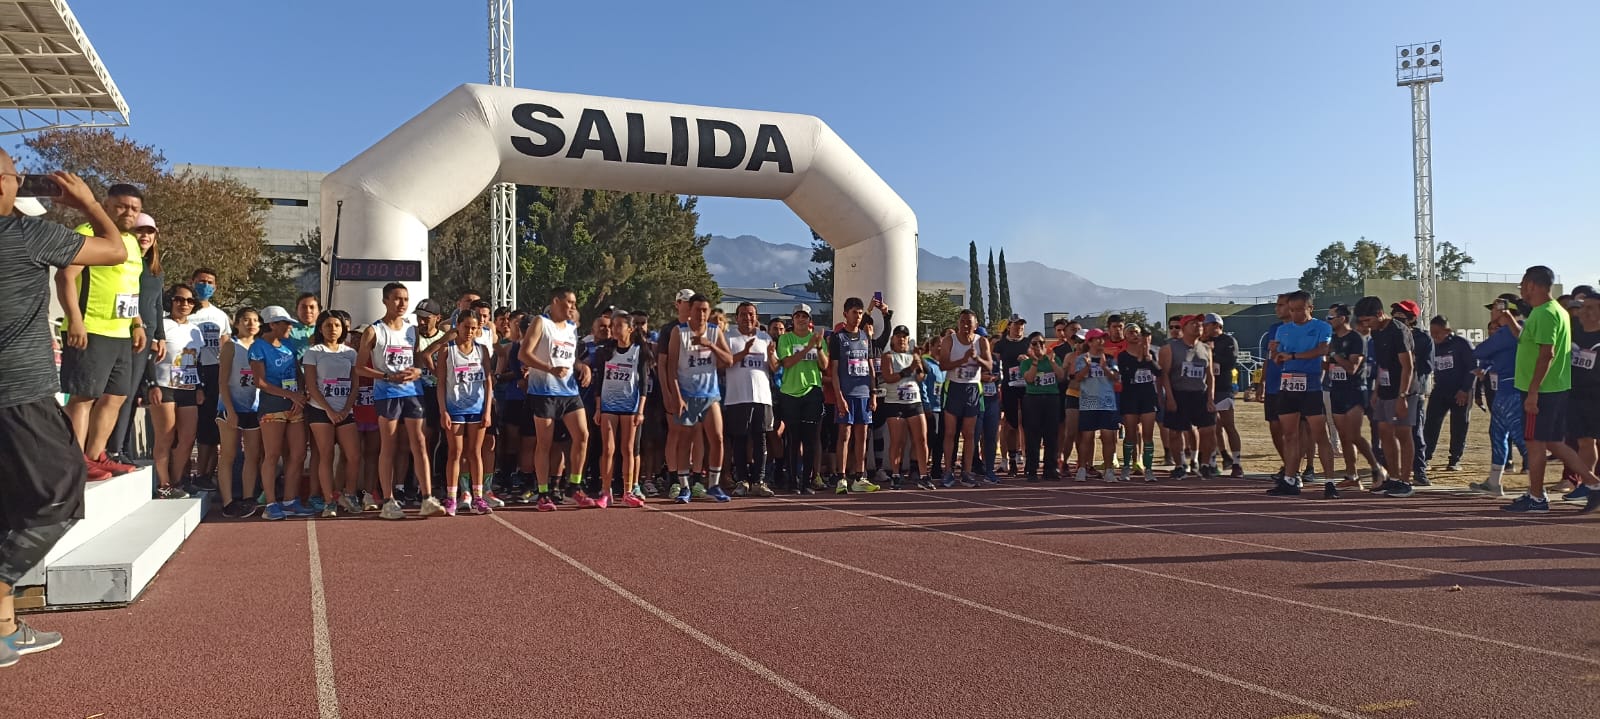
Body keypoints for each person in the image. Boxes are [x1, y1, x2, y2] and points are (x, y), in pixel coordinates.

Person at [0, 164, 130, 668]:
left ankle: (6, 629)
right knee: (62, 492)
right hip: (20, 394)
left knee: (10, 504)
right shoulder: (29, 233)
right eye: (9, 173)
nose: (12, 178)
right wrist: (89, 206)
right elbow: (115, 250)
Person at [55, 183, 148, 482]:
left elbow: (130, 288)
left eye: (134, 208)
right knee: (83, 397)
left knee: (117, 396)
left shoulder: (132, 243)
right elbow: (65, 277)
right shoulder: (87, 232)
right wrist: (75, 320)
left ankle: (96, 455)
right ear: (106, 205)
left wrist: (137, 324)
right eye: (121, 206)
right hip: (90, 330)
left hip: (121, 333)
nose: (128, 213)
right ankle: (74, 462)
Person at [1503, 266, 1600, 513]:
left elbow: (1547, 354)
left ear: (1533, 285)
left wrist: (1533, 392)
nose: (1522, 290)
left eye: (1524, 285)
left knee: (1535, 443)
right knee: (1554, 443)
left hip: (1543, 390)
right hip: (1547, 388)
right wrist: (1510, 322)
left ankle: (1537, 497)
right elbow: (1529, 342)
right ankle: (1592, 483)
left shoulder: (1547, 313)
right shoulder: (1546, 312)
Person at [357, 283, 438, 520]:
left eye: (405, 299)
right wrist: (386, 376)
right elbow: (360, 368)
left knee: (420, 443)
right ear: (385, 301)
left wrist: (418, 372)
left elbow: (417, 362)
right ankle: (389, 500)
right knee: (389, 446)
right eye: (396, 299)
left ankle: (427, 497)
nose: (402, 304)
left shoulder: (412, 331)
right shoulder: (374, 331)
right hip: (387, 394)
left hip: (412, 392)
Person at [519, 287, 593, 510]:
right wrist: (548, 368)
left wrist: (583, 367)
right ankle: (543, 493)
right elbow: (524, 354)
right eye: (569, 302)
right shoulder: (541, 322)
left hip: (569, 391)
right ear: (556, 301)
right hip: (544, 392)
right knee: (545, 443)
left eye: (574, 303)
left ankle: (574, 486)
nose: (572, 306)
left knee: (582, 435)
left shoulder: (572, 328)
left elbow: (570, 360)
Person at [107, 213, 164, 467]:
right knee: (121, 393)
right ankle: (112, 448)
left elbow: (157, 303)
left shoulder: (155, 270)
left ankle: (122, 447)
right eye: (140, 230)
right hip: (127, 333)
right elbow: (127, 297)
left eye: (150, 232)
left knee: (133, 397)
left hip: (148, 336)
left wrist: (159, 335)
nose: (145, 236)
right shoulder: (126, 263)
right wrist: (138, 325)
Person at [664, 293, 732, 503]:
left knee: (718, 438)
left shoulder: (714, 331)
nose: (702, 314)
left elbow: (728, 360)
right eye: (698, 310)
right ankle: (684, 487)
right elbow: (671, 367)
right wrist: (677, 396)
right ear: (690, 311)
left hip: (710, 394)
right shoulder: (679, 332)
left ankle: (713, 484)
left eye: (705, 310)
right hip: (687, 394)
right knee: (686, 440)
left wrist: (709, 345)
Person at [251, 306, 312, 520]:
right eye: (285, 323)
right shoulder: (258, 347)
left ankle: (289, 500)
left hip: (294, 406)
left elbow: (298, 371)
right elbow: (260, 382)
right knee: (272, 455)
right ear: (272, 325)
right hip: (272, 406)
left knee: (297, 453)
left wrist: (301, 393)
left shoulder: (288, 344)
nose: (290, 327)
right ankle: (270, 503)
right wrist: (290, 394)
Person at [1355, 296, 1419, 498]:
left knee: (1403, 433)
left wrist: (1403, 396)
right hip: (1384, 388)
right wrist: (1376, 391)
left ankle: (1406, 481)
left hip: (1404, 390)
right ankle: (1392, 478)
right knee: (1384, 432)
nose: (1365, 325)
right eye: (1362, 322)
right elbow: (1382, 364)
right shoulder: (1376, 332)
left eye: (1368, 321)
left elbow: (1408, 366)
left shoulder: (1398, 330)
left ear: (1379, 314)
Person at [302, 310, 362, 517]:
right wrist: (329, 410)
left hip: (345, 411)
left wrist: (345, 410)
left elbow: (355, 384)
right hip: (321, 411)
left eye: (337, 325)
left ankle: (350, 494)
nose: (333, 329)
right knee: (325, 455)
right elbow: (311, 384)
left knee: (354, 455)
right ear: (320, 328)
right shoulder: (313, 352)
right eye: (328, 325)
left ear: (343, 328)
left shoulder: (350, 353)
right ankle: (329, 501)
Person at [147, 283, 203, 500]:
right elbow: (149, 356)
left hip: (188, 387)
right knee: (166, 437)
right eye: (179, 299)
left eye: (189, 301)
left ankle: (177, 480)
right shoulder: (162, 324)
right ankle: (163, 484)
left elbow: (196, 361)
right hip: (164, 385)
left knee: (188, 437)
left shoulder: (195, 331)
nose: (184, 304)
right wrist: (151, 384)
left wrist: (200, 387)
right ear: (171, 301)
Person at [1470, 294, 1529, 496]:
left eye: (1494, 307)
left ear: (1506, 309)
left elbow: (1480, 350)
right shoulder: (1509, 331)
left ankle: (1537, 488)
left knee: (1521, 438)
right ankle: (1494, 482)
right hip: (1503, 391)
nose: (1491, 311)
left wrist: (1485, 357)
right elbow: (1487, 354)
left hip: (1511, 391)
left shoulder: (1509, 331)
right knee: (1498, 435)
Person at [437, 311, 495, 515]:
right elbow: (441, 383)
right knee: (455, 452)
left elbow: (488, 382)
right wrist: (443, 410)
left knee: (475, 452)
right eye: (466, 327)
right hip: (455, 408)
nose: (470, 331)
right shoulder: (447, 350)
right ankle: (452, 497)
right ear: (458, 326)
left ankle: (478, 497)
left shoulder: (482, 350)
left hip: (477, 408)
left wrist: (487, 410)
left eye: (474, 328)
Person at [594, 308, 651, 507]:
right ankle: (605, 491)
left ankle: (628, 490)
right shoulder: (606, 351)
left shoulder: (639, 351)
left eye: (619, 326)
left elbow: (643, 382)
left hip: (631, 406)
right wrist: (598, 408)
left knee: (628, 449)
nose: (615, 330)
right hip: (609, 405)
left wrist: (641, 410)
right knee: (608, 449)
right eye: (613, 326)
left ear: (630, 328)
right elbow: (599, 379)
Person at [1324, 304, 1383, 493]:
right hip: (1336, 390)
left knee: (1354, 435)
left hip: (1355, 391)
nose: (1329, 321)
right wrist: (1324, 360)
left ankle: (1377, 468)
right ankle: (1352, 475)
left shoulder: (1356, 338)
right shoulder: (1332, 339)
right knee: (1343, 436)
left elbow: (1352, 368)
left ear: (1342, 318)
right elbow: (1330, 367)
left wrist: (1333, 355)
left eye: (1331, 317)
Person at [828, 297, 881, 493]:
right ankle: (841, 477)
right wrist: (839, 397)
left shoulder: (865, 337)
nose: (858, 316)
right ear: (845, 314)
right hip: (846, 394)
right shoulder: (837, 338)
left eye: (860, 313)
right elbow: (833, 371)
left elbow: (870, 367)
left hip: (864, 394)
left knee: (862, 435)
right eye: (854, 313)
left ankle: (860, 476)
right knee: (844, 434)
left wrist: (873, 394)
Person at [724, 302, 777, 498]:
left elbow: (774, 367)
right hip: (737, 396)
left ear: (756, 317)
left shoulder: (764, 337)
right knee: (739, 439)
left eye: (751, 315)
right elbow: (722, 364)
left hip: (762, 396)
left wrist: (771, 356)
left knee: (760, 438)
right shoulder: (729, 336)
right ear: (737, 317)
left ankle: (759, 481)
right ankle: (742, 480)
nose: (748, 318)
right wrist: (743, 353)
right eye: (744, 315)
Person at [777, 303, 829, 495]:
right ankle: (791, 480)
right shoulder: (785, 339)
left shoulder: (817, 339)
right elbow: (788, 362)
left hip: (812, 391)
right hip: (790, 393)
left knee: (811, 439)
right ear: (793, 319)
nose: (801, 319)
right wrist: (808, 347)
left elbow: (824, 365)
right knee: (793, 438)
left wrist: (818, 347)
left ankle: (806, 480)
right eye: (798, 316)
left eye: (804, 316)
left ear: (809, 320)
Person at [1160, 315, 1220, 480]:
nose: (1198, 327)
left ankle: (1205, 464)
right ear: (1184, 327)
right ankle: (1179, 465)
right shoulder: (1170, 348)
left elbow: (1210, 376)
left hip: (1200, 394)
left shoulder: (1206, 349)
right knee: (1175, 432)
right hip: (1179, 393)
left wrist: (1210, 398)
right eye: (1193, 324)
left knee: (1208, 430)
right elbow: (1164, 374)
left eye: (1200, 324)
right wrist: (1169, 398)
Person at [216, 307, 262, 518]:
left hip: (254, 408)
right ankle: (227, 501)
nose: (251, 323)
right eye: (246, 320)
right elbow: (223, 382)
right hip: (230, 407)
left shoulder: (261, 347)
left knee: (252, 455)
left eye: (255, 320)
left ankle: (248, 498)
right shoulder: (230, 347)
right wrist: (230, 410)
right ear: (236, 323)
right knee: (229, 454)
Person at [187, 267, 230, 491]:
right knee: (188, 429)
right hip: (189, 370)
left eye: (210, 282)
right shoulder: (185, 311)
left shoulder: (220, 315)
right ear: (192, 282)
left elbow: (225, 346)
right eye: (201, 281)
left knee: (212, 429)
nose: (205, 285)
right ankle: (186, 474)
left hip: (215, 372)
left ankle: (206, 475)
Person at [937, 310, 991, 487]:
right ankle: (948, 471)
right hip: (954, 387)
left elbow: (989, 365)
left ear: (976, 325)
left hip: (972, 389)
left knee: (969, 434)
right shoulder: (949, 340)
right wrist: (962, 360)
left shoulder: (981, 341)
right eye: (962, 322)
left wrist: (977, 359)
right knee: (950, 433)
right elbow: (943, 365)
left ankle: (967, 472)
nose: (965, 326)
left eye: (969, 322)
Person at [1562, 286, 1600, 511]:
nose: (1588, 312)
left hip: (1597, 396)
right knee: (1584, 441)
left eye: (1594, 308)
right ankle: (1589, 484)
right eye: (1585, 308)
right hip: (1576, 396)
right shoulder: (1573, 330)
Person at [880, 326, 931, 489]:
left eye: (904, 336)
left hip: (914, 402)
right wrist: (907, 370)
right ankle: (895, 474)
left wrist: (919, 360)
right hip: (895, 403)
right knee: (898, 440)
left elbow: (921, 377)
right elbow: (888, 377)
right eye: (898, 336)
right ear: (892, 339)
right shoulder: (888, 356)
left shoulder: (913, 355)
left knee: (921, 439)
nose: (902, 339)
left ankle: (924, 475)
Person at [1423, 315, 1475, 473]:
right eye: (1432, 333)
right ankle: (1425, 457)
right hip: (1440, 389)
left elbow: (1472, 367)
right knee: (1431, 423)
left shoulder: (1461, 344)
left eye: (1438, 333)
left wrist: (1465, 390)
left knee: (1459, 425)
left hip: (1461, 391)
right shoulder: (1431, 345)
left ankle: (1454, 460)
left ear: (1447, 331)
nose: (1435, 336)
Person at [1073, 328, 1120, 482]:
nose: (1101, 342)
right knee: (1087, 437)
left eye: (1103, 339)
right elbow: (1077, 378)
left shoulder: (1110, 358)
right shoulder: (1081, 359)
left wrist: (1105, 367)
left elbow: (1116, 378)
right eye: (1098, 339)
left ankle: (1108, 470)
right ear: (1090, 341)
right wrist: (1087, 367)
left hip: (1107, 402)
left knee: (1108, 437)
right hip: (1089, 402)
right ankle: (1081, 468)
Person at [1202, 314, 1245, 477]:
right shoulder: (1201, 342)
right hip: (1206, 389)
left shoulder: (1228, 341)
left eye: (1214, 325)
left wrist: (1213, 354)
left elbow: (1230, 361)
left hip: (1223, 388)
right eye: (1208, 325)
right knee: (1211, 427)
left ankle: (1236, 463)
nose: (1211, 328)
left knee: (1228, 425)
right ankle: (1212, 461)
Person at [1020, 331, 1066, 481]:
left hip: (1052, 399)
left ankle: (1050, 469)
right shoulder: (1026, 362)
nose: (1038, 346)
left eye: (1041, 343)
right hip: (1033, 399)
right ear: (1030, 346)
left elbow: (1061, 376)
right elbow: (1029, 378)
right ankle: (1032, 469)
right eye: (1034, 343)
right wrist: (1035, 361)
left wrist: (1052, 362)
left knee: (1051, 435)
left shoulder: (1053, 359)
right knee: (1033, 436)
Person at [1118, 326, 1160, 482]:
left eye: (1137, 332)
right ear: (1125, 337)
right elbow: (1126, 375)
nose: (1134, 335)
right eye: (1131, 332)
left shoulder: (1150, 354)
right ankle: (1126, 467)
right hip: (1130, 397)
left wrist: (1148, 359)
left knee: (1148, 434)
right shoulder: (1123, 356)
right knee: (1130, 434)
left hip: (1148, 397)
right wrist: (1139, 360)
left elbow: (1159, 372)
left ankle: (1148, 469)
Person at [993, 315, 1030, 475]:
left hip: (1027, 387)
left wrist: (1028, 359)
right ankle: (1012, 460)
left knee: (1028, 424)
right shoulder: (1001, 344)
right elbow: (995, 364)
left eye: (1021, 324)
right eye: (1016, 325)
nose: (1019, 327)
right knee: (1011, 424)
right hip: (1009, 387)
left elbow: (1039, 357)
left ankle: (1029, 460)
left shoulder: (1028, 342)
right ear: (1009, 327)